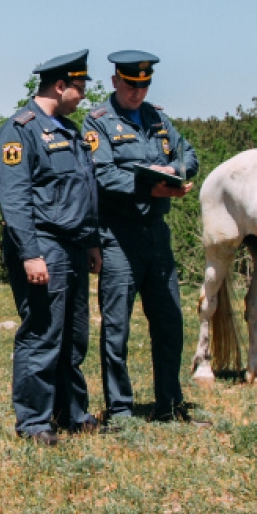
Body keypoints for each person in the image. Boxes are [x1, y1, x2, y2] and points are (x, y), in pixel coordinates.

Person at [82, 51, 200, 423]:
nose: (138, 92)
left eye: (144, 85)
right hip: (119, 236)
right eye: (132, 85)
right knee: (116, 328)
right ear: (116, 81)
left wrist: (174, 170)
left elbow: (188, 154)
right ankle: (120, 410)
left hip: (156, 235)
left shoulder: (157, 117)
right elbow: (101, 175)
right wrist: (152, 187)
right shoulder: (98, 122)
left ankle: (170, 404)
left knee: (169, 322)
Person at [0, 50, 103, 445]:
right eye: (80, 88)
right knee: (42, 333)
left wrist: (91, 241)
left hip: (75, 245)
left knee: (73, 338)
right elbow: (15, 197)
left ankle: (72, 412)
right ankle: (34, 423)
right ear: (60, 86)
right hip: (43, 243)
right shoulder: (20, 130)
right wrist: (30, 253)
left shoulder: (71, 131)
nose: (83, 96)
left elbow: (85, 191)